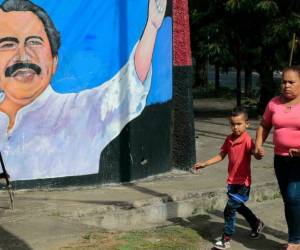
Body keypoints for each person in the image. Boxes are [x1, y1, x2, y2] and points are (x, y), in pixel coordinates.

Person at [0, 0, 167, 180]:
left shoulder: (81, 112)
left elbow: (130, 85)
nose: (23, 56)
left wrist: (151, 27)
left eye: (34, 42)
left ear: (54, 60)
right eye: (8, 44)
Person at [193, 107, 264, 250]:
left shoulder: (247, 141)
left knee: (229, 209)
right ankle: (256, 223)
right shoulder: (228, 139)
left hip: (243, 183)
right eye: (233, 124)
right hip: (232, 181)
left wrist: (259, 152)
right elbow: (221, 155)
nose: (235, 127)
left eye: (239, 124)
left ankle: (226, 239)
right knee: (238, 207)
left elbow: (255, 153)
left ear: (247, 124)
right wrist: (205, 163)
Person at [255, 65, 300, 250]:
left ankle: (295, 241)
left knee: (293, 197)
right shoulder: (274, 103)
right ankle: (295, 238)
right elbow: (264, 125)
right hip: (280, 159)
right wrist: (258, 144)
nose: (286, 85)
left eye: (291, 82)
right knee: (289, 200)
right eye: (284, 82)